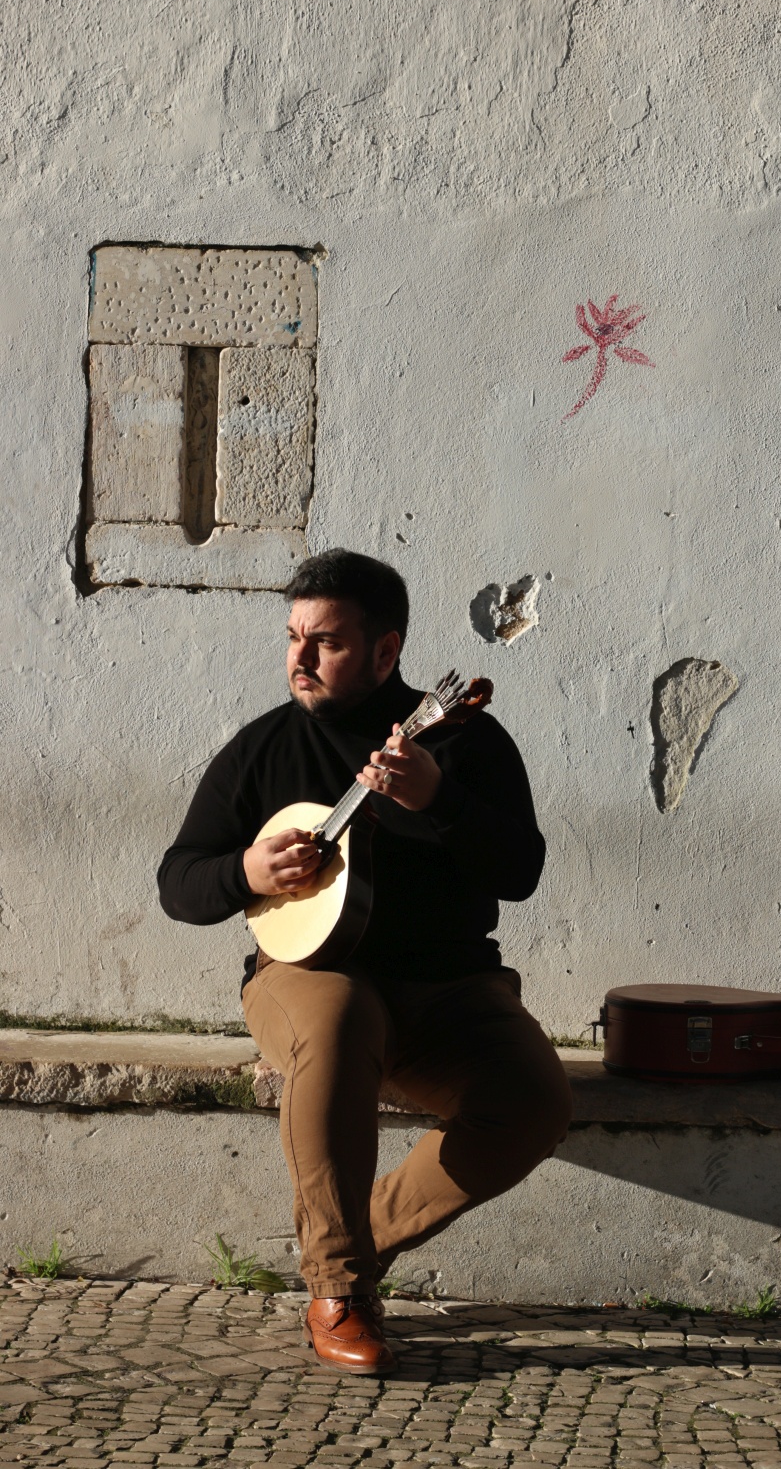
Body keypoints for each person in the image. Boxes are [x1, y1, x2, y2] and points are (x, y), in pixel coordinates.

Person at [158, 548, 572, 1375]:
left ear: (387, 652)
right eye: (292, 638)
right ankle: (340, 1289)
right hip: (304, 979)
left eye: (327, 642)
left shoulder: (463, 741)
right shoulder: (263, 750)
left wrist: (437, 800)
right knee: (341, 1017)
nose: (300, 659)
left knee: (531, 1102)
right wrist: (247, 871)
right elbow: (180, 881)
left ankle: (346, 1242)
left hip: (450, 987)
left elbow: (520, 872)